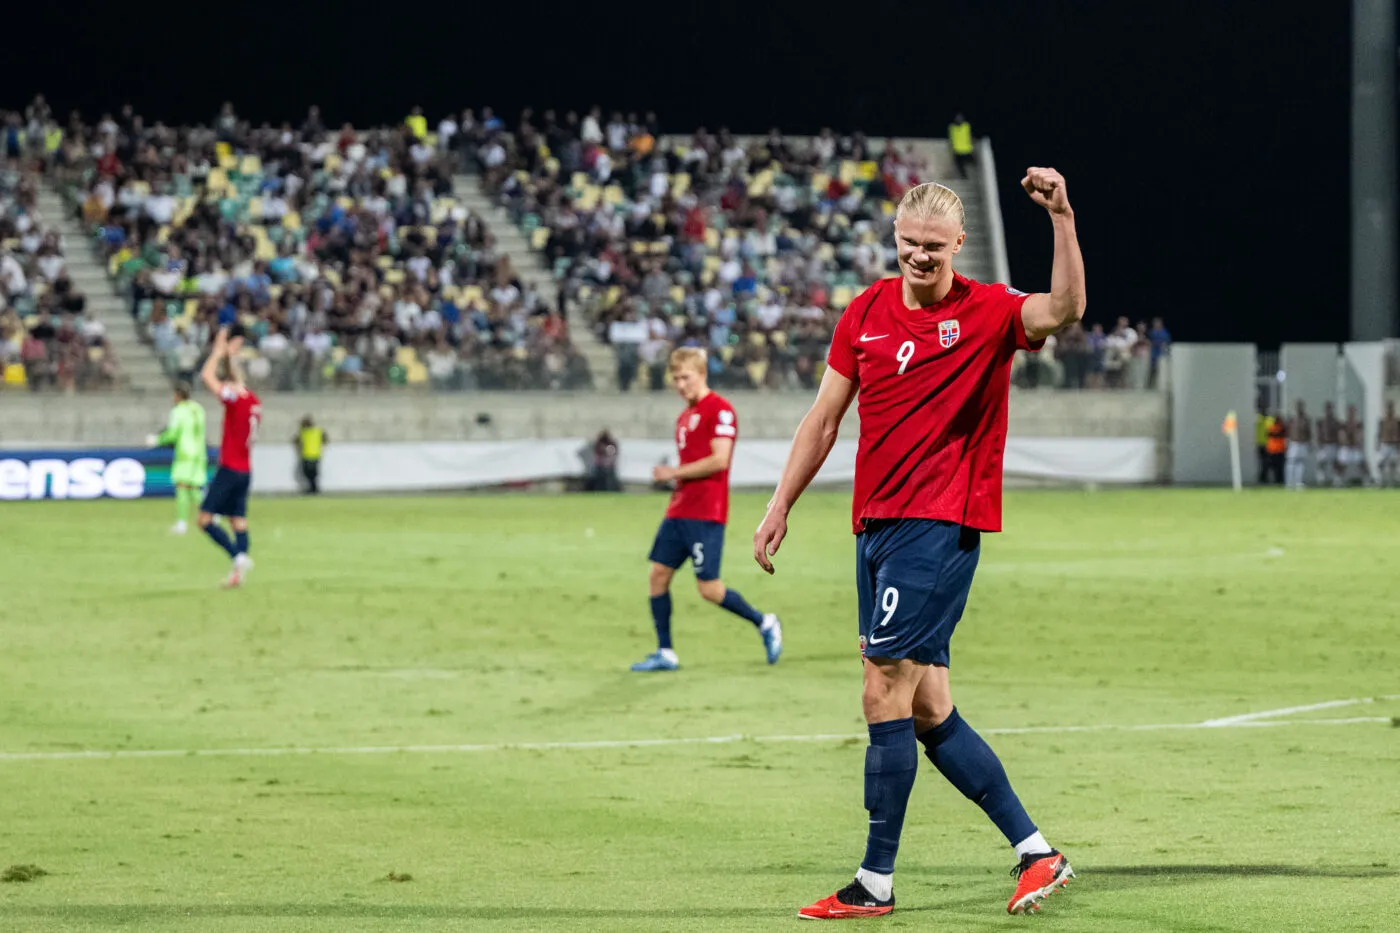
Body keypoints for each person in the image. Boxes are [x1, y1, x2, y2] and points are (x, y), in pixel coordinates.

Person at [754, 173, 1085, 919]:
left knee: (882, 685)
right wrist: (780, 505)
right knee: (929, 704)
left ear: (958, 245)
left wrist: (1062, 218)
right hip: (875, 524)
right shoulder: (865, 311)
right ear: (895, 239)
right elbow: (822, 418)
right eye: (909, 245)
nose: (921, 258)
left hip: (939, 523)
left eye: (934, 247)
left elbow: (1064, 309)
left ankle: (875, 881)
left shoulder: (991, 311)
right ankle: (1037, 851)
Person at [631, 347, 782, 672]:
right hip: (679, 509)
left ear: (702, 374)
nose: (680, 384)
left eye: (686, 377)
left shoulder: (720, 410)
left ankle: (765, 622)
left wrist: (672, 473)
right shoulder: (685, 417)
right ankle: (666, 652)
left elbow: (720, 460)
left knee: (709, 589)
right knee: (658, 575)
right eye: (675, 379)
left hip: (706, 513)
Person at [199, 327, 261, 587]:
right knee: (238, 521)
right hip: (246, 470)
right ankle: (238, 574)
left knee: (204, 520)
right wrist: (229, 354)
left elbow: (206, 376)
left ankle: (237, 557)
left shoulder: (234, 398)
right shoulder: (252, 400)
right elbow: (237, 379)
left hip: (230, 468)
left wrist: (216, 353)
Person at [146, 382, 207, 534]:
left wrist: (157, 440)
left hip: (185, 453)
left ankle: (181, 523)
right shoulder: (198, 409)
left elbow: (173, 433)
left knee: (182, 486)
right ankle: (211, 514)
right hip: (199, 453)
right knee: (194, 487)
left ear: (178, 395)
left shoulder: (178, 411)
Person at [294, 415, 327, 495]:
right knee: (313, 474)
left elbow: (296, 440)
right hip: (315, 455)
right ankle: (314, 489)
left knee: (308, 474)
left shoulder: (303, 432)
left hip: (307, 455)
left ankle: (312, 489)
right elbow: (325, 438)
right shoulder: (318, 431)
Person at [1284, 400, 1312, 490]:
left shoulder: (1306, 419)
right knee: (1291, 463)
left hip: (1303, 443)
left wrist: (1309, 442)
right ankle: (1289, 483)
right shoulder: (1292, 419)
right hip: (1293, 443)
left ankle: (1299, 482)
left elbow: (1308, 432)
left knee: (1301, 464)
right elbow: (1287, 430)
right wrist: (1286, 440)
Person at [1316, 402, 1341, 487]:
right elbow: (1319, 433)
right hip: (1324, 445)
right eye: (1327, 409)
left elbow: (1338, 433)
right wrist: (1319, 443)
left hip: (1333, 444)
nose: (1328, 411)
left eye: (1329, 409)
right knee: (1321, 463)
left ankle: (1336, 480)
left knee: (1335, 463)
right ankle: (1321, 479)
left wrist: (1339, 444)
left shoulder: (1335, 421)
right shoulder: (1321, 421)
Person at [1378, 400, 1399, 487]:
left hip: (1393, 445)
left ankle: (1393, 481)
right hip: (1385, 445)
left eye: (1391, 408)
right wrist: (1378, 444)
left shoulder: (1396, 421)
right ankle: (1383, 480)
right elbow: (1379, 433)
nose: (1390, 410)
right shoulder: (1383, 421)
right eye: (1388, 408)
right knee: (1380, 463)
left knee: (1393, 464)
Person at [947, 113, 975, 178]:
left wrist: (972, 144)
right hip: (957, 150)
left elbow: (970, 136)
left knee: (973, 163)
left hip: (967, 149)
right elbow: (951, 139)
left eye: (960, 118)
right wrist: (952, 149)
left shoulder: (966, 126)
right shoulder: (952, 127)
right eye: (957, 118)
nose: (959, 119)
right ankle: (964, 177)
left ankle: (970, 176)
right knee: (959, 166)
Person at [1263, 412, 1287, 485]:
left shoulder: (1272, 428)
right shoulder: (1281, 428)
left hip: (1274, 451)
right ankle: (1278, 480)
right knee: (1278, 468)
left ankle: (1277, 480)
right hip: (1276, 451)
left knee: (1276, 468)